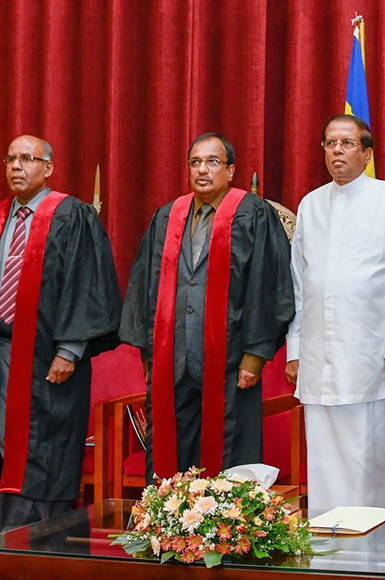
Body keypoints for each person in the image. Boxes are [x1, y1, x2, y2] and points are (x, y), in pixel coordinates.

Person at [120, 133, 294, 482]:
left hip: (231, 364)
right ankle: (171, 517)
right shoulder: (167, 217)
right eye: (195, 162)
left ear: (230, 171)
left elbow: (268, 284)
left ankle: (227, 520)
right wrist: (150, 357)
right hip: (172, 363)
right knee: (172, 461)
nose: (202, 170)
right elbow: (144, 288)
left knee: (230, 464)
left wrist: (255, 355)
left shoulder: (253, 214)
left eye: (213, 162)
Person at [284, 114, 385, 511]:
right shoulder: (310, 204)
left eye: (347, 143)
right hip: (317, 358)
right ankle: (325, 546)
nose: (337, 151)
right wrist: (295, 348)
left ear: (366, 153)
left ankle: (368, 549)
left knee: (365, 465)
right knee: (322, 466)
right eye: (330, 143)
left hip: (370, 358)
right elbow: (299, 282)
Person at [0, 135, 121, 530]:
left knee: (44, 447)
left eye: (27, 158)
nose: (16, 166)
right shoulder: (2, 217)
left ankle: (31, 538)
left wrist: (69, 350)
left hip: (48, 357)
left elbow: (87, 284)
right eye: (10, 159)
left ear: (48, 168)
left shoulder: (72, 216)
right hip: (2, 351)